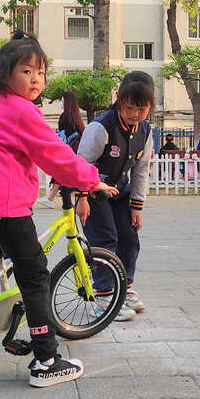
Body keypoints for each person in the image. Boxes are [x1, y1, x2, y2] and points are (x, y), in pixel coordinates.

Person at [0, 31, 116, 387]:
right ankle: (45, 359)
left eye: (41, 73)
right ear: (5, 74)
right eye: (26, 71)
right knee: (36, 276)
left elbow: (31, 153)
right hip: (4, 206)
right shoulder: (20, 111)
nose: (35, 80)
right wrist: (93, 181)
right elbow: (55, 155)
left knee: (17, 264)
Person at [76, 71, 154, 322]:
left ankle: (124, 287)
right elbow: (81, 164)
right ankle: (104, 296)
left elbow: (142, 170)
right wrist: (82, 198)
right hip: (94, 189)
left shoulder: (145, 131)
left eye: (142, 109)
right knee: (105, 239)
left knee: (130, 239)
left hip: (121, 190)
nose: (135, 114)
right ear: (119, 99)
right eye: (130, 107)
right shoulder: (101, 127)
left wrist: (137, 206)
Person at [37, 91, 84, 209]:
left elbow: (64, 135)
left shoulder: (66, 116)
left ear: (67, 101)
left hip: (67, 148)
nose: (60, 102)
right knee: (64, 173)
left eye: (62, 100)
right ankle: (51, 198)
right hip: (74, 148)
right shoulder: (75, 116)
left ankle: (50, 198)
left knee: (62, 172)